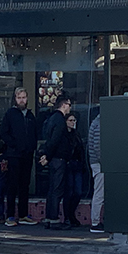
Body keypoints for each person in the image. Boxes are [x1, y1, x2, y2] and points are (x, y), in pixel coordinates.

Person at [0, 88, 38, 226]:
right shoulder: (10, 114)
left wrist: (31, 147)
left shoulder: (30, 115)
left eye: (24, 97)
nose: (22, 100)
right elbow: (3, 132)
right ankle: (10, 216)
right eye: (19, 97)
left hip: (27, 154)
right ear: (15, 99)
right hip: (14, 155)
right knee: (12, 185)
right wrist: (14, 145)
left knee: (24, 185)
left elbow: (34, 134)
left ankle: (23, 215)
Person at [37, 94, 73, 227]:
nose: (70, 108)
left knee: (52, 188)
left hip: (53, 158)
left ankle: (49, 217)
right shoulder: (60, 120)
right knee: (57, 189)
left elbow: (49, 140)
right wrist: (48, 156)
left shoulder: (51, 119)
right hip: (58, 158)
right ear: (64, 105)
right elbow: (55, 140)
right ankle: (54, 218)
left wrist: (46, 156)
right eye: (69, 105)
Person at [55, 111, 88, 228]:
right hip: (68, 165)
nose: (73, 123)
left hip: (77, 165)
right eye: (71, 120)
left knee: (78, 192)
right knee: (68, 191)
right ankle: (68, 216)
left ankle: (71, 214)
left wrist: (83, 164)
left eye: (74, 120)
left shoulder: (76, 134)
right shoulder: (63, 135)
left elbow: (81, 151)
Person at [87, 111, 104, 233]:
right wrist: (104, 161)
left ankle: (96, 221)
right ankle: (95, 222)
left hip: (97, 162)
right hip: (100, 164)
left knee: (99, 192)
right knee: (99, 193)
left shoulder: (96, 122)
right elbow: (98, 146)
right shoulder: (100, 124)